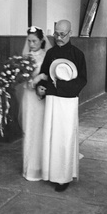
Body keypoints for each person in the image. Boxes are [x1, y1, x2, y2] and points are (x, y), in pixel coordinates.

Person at [36, 19, 87, 192]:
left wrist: (61, 86)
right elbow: (44, 74)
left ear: (70, 33)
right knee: (52, 136)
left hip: (68, 101)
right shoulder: (50, 54)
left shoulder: (78, 54)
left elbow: (82, 80)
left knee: (65, 138)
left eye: (62, 34)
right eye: (56, 33)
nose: (58, 37)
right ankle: (51, 173)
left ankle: (64, 177)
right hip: (52, 100)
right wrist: (40, 87)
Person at [19, 26, 52, 181]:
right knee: (30, 128)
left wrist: (39, 79)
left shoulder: (46, 56)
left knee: (41, 128)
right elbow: (22, 79)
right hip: (28, 97)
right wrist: (28, 82)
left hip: (40, 97)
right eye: (29, 41)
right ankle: (30, 168)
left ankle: (42, 167)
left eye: (34, 41)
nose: (31, 44)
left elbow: (49, 75)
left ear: (41, 41)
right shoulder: (25, 57)